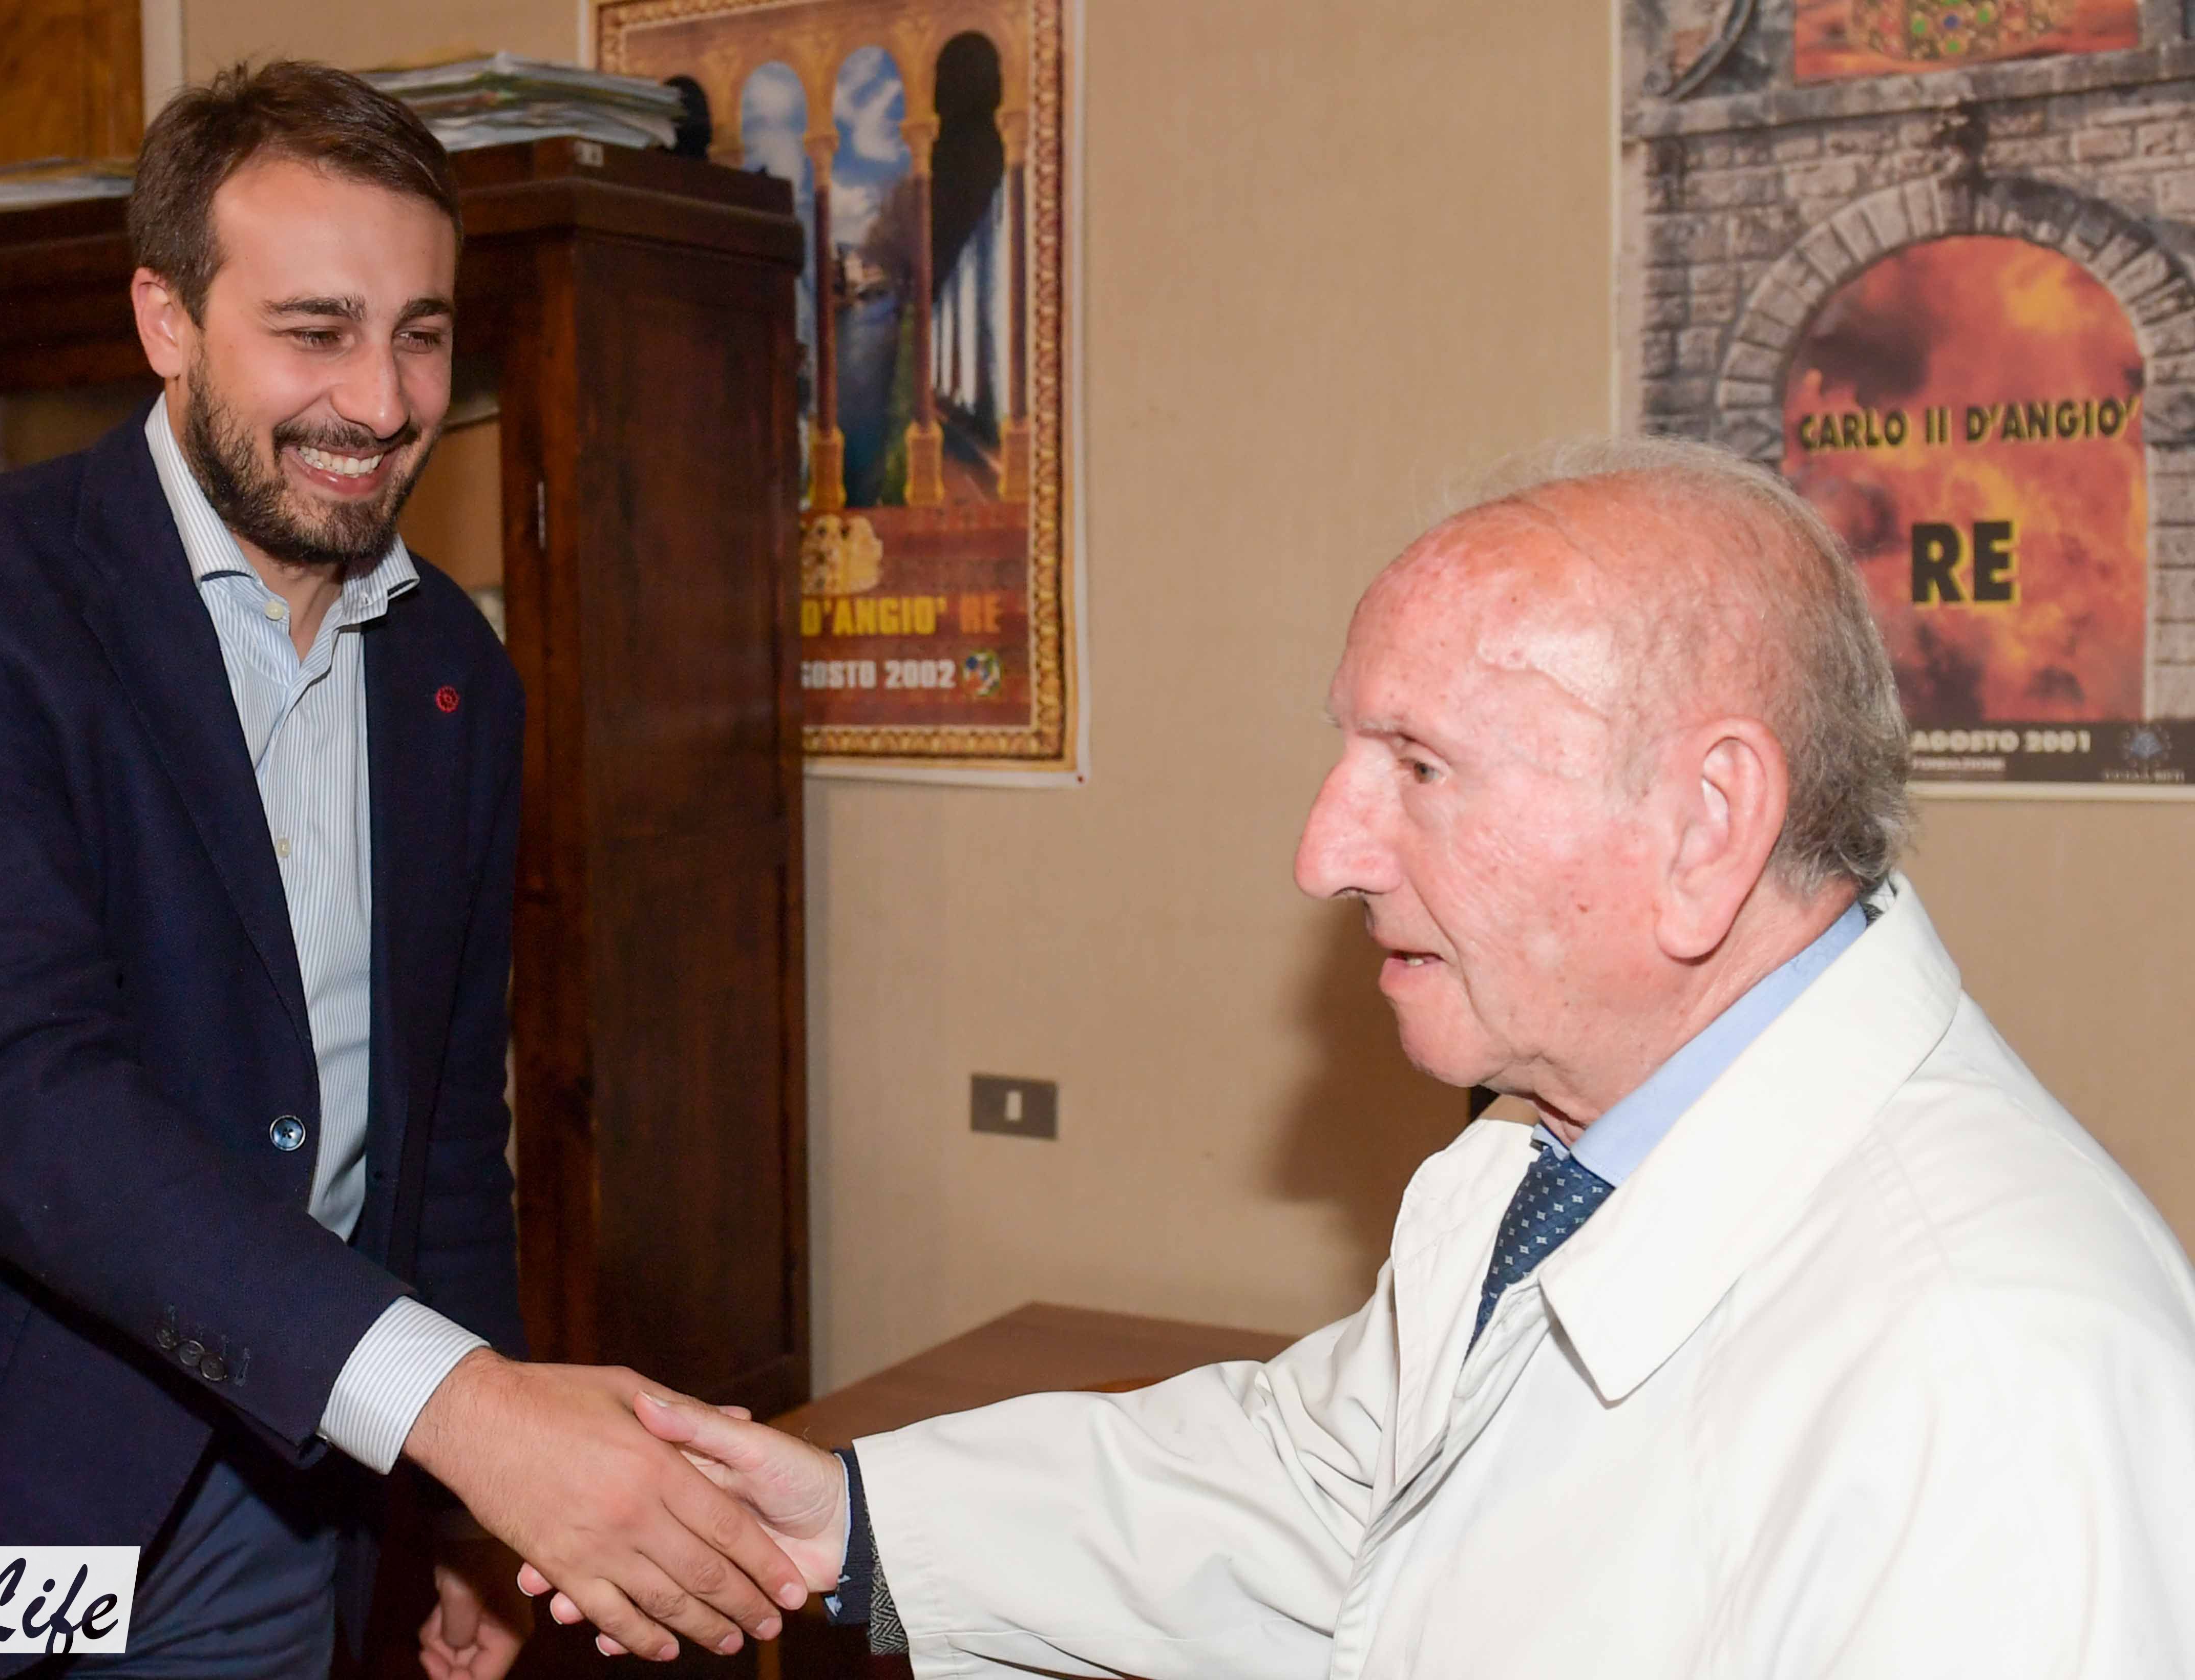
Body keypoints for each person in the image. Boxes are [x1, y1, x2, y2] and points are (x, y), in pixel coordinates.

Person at [537, 437, 2195, 1675]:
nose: (1324, 852)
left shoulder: (2000, 1378)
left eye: (1419, 765)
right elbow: (1325, 1489)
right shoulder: (1564, 1150)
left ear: (1707, 823)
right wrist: (846, 1521)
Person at [0, 60, 799, 1677]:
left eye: (421, 334)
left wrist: (463, 1508)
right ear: (168, 320)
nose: (385, 402)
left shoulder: (458, 678)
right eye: (316, 330)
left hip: (266, 1496)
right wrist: (470, 1418)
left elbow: (434, 1137)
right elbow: (18, 1101)